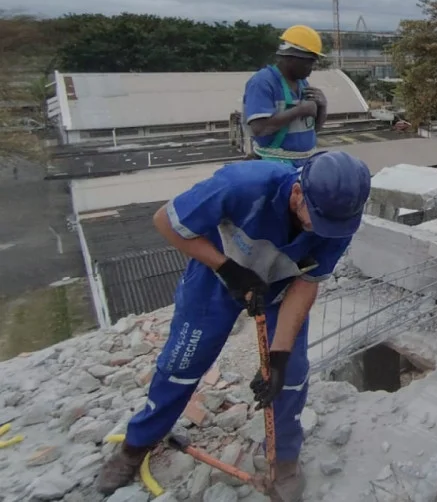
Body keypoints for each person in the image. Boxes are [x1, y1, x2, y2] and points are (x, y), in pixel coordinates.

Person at [96, 151, 372, 500]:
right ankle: (136, 445)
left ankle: (283, 458)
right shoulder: (244, 185)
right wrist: (228, 269)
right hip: (217, 276)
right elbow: (165, 220)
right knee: (183, 364)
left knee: (290, 375)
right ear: (299, 193)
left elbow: (306, 284)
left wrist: (279, 356)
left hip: (280, 284)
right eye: (314, 219)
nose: (320, 230)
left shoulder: (338, 219)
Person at [243, 25, 328, 165]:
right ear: (291, 58)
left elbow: (313, 130)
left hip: (303, 163)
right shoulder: (262, 83)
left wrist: (322, 106)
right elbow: (260, 128)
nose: (311, 69)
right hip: (275, 166)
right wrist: (300, 110)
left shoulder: (303, 84)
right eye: (308, 63)